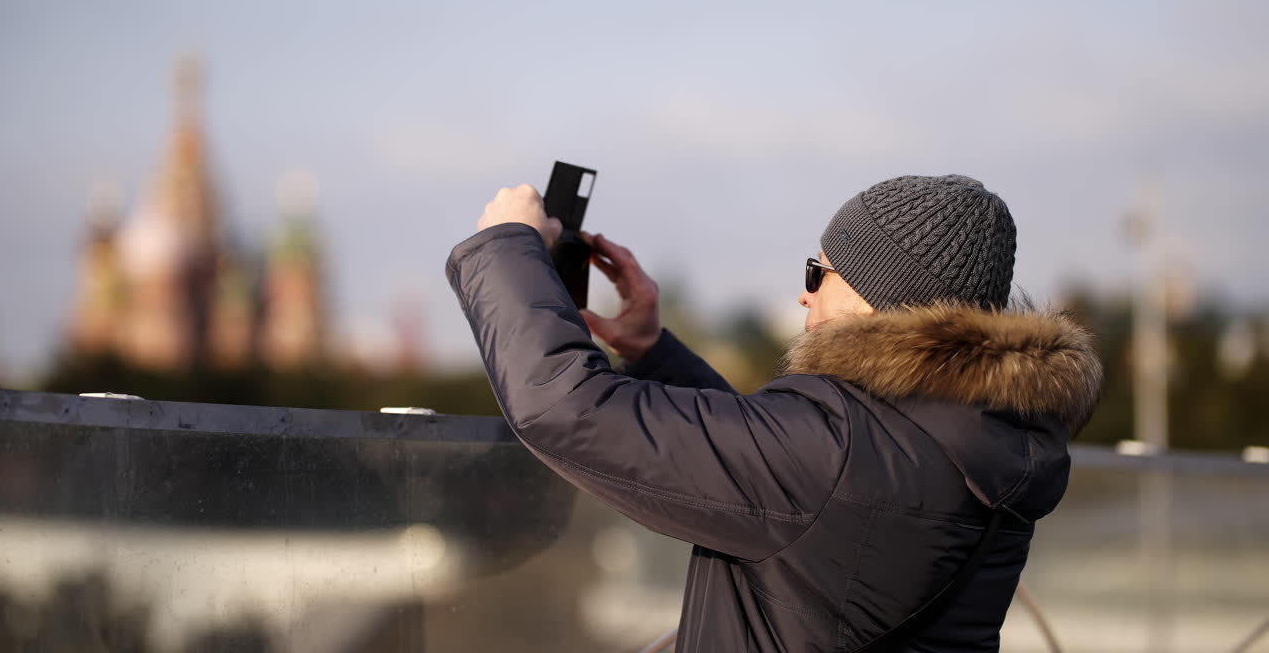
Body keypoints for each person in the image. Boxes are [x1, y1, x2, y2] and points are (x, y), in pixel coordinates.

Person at [446, 175, 1103, 652]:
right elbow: (795, 493)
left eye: (820, 272)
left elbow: (563, 404)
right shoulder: (979, 437)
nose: (803, 293)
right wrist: (652, 350)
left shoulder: (840, 449)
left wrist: (509, 246)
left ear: (879, 300)